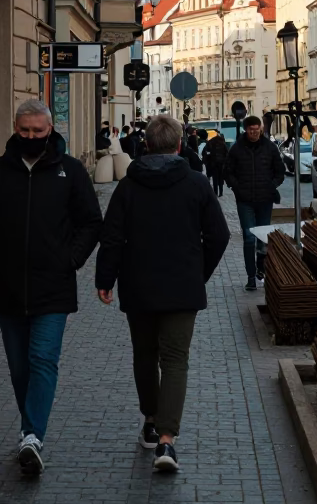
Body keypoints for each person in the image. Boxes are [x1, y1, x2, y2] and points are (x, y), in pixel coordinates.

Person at [95, 114, 229, 473]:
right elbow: (220, 236)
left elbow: (111, 237)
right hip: (182, 288)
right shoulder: (197, 185)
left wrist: (105, 279)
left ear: (147, 145)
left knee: (144, 355)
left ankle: (151, 422)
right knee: (174, 360)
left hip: (138, 285)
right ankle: (167, 441)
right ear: (180, 145)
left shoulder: (128, 186)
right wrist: (198, 274)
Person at [0, 100, 102, 474]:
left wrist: (70, 259)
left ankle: (32, 434)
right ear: (15, 128)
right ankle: (30, 430)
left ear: (50, 130)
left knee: (42, 360)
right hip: (6, 290)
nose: (31, 137)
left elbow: (91, 222)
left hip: (53, 289)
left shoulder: (69, 172)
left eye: (38, 131)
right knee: (19, 367)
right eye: (24, 131)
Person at [224, 115, 284, 291]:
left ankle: (261, 268)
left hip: (265, 200)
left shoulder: (270, 148)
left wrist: (272, 185)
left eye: (257, 129)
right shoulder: (236, 149)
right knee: (249, 238)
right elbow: (227, 172)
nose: (254, 133)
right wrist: (237, 188)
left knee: (262, 238)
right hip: (245, 201)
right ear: (246, 130)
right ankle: (251, 276)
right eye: (251, 130)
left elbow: (280, 171)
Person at [203, 133, 227, 198]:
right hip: (221, 163)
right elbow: (226, 153)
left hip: (213, 163)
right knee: (220, 178)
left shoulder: (210, 142)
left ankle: (215, 192)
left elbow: (207, 153)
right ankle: (221, 192)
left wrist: (207, 161)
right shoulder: (223, 143)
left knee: (215, 178)